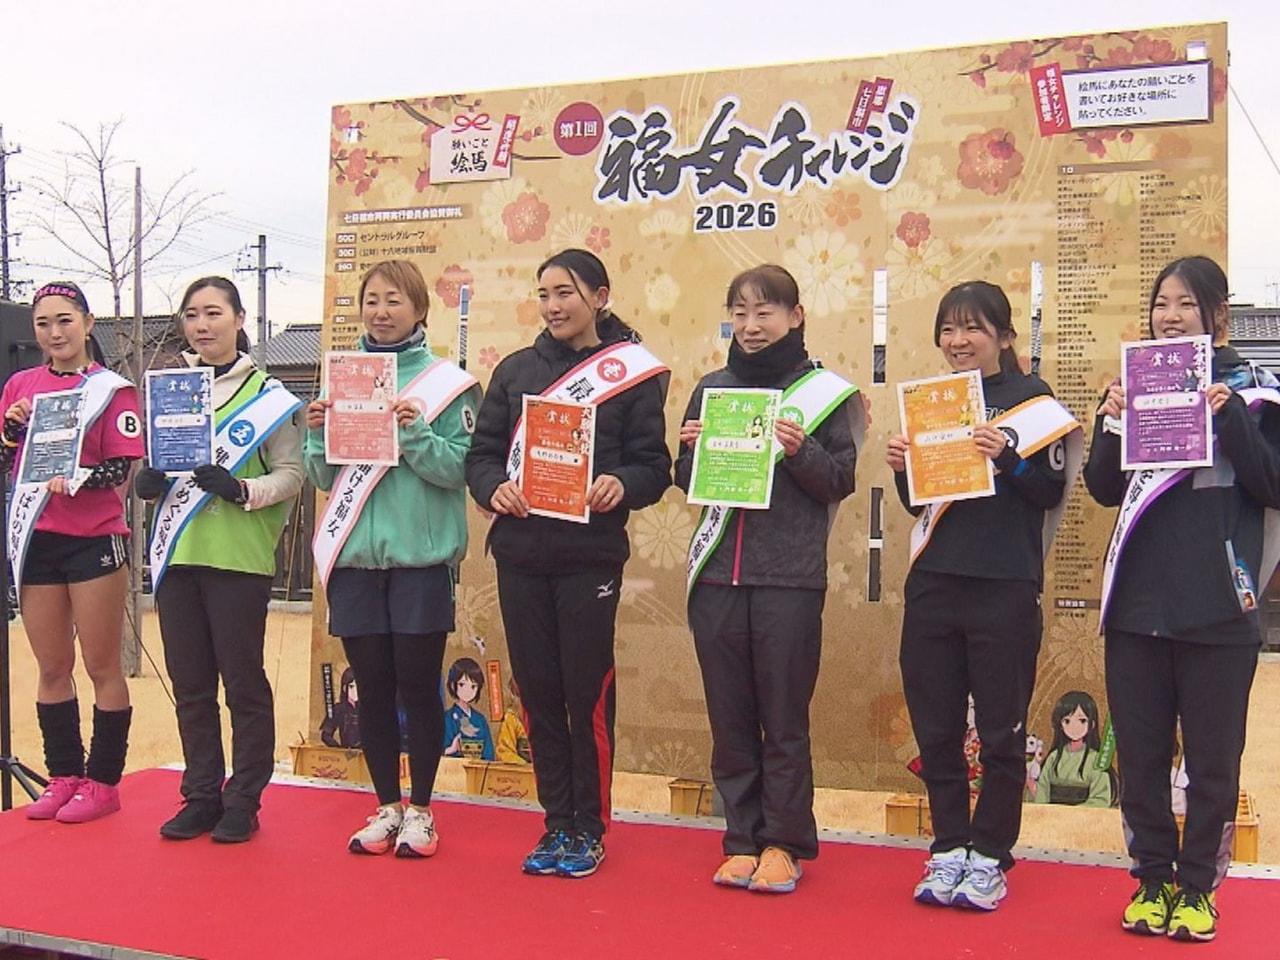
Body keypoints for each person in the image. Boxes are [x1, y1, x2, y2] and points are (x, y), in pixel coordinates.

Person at [1084, 255, 1280, 942]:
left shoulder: (1256, 398)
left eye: (1185, 305)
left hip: (1219, 613)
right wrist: (1111, 421)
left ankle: (1198, 887)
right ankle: (1152, 880)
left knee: (1212, 761)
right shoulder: (1136, 388)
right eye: (1161, 304)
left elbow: (1272, 484)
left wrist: (1229, 420)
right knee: (1140, 757)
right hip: (1137, 610)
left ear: (1218, 316)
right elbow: (1105, 489)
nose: (1169, 317)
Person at [465, 248, 671, 879]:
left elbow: (654, 466)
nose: (553, 306)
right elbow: (482, 455)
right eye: (544, 294)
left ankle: (591, 826)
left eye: (567, 293)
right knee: (539, 691)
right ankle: (556, 821)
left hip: (590, 559)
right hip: (522, 555)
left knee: (586, 694)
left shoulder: (630, 375)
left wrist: (620, 484)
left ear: (599, 296)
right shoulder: (516, 371)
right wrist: (491, 487)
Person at [887, 280, 1080, 911]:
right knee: (937, 729)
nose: (958, 340)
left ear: (1003, 335)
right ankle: (947, 848)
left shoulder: (1034, 402)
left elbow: (1049, 495)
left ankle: (991, 856)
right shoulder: (935, 401)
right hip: (936, 586)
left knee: (1001, 734)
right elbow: (922, 503)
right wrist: (901, 467)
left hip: (1004, 587)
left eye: (972, 328)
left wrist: (1012, 459)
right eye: (948, 329)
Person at [674, 264, 862, 894]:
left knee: (783, 718)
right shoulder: (713, 388)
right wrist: (691, 452)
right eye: (741, 313)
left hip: (789, 579)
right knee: (730, 718)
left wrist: (797, 450)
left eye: (765, 313)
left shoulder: (826, 392)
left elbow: (839, 479)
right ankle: (740, 839)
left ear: (795, 316)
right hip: (718, 580)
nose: (751, 327)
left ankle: (784, 843)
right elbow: (687, 478)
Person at [305, 259, 480, 859]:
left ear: (419, 310)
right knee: (372, 687)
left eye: (394, 301)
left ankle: (424, 811)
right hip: (356, 561)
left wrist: (415, 434)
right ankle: (385, 806)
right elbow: (326, 476)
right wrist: (315, 432)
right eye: (372, 300)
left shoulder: (447, 383)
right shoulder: (341, 379)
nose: (381, 312)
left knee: (416, 684)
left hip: (419, 563)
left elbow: (460, 470)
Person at [133, 276, 303, 843]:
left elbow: (292, 475)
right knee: (191, 685)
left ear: (238, 319)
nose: (201, 325)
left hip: (239, 557)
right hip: (179, 555)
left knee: (244, 684)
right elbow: (149, 468)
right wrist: (147, 482)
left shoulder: (269, 394)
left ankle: (244, 798)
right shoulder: (170, 389)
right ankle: (201, 793)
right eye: (191, 315)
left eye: (213, 313)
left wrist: (241, 490)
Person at [1, 281, 143, 823]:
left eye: (64, 320)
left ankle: (104, 782)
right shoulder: (21, 384)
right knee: (51, 664)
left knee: (101, 664)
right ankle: (63, 775)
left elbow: (120, 466)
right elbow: (4, 463)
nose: (54, 333)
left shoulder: (111, 389)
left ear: (86, 322)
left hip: (94, 539)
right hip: (37, 538)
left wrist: (77, 479)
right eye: (43, 324)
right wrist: (13, 433)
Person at [1032, 690, 1112, 807]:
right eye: (1067, 721)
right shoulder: (1054, 757)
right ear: (1060, 724)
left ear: (1092, 724)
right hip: (1052, 818)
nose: (1074, 727)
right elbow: (1042, 794)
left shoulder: (1096, 760)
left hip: (1084, 820)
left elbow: (1100, 799)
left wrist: (1071, 815)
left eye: (1082, 720)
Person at [442, 656, 494, 760]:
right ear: (453, 685)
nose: (468, 691)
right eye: (462, 685)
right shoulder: (448, 718)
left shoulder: (480, 719)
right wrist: (451, 749)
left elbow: (488, 752)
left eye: (473, 686)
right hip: (455, 770)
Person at [320, 667, 361, 748]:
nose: (355, 691)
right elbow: (325, 735)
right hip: (346, 755)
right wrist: (339, 750)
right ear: (345, 688)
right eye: (352, 687)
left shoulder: (366, 710)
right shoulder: (338, 709)